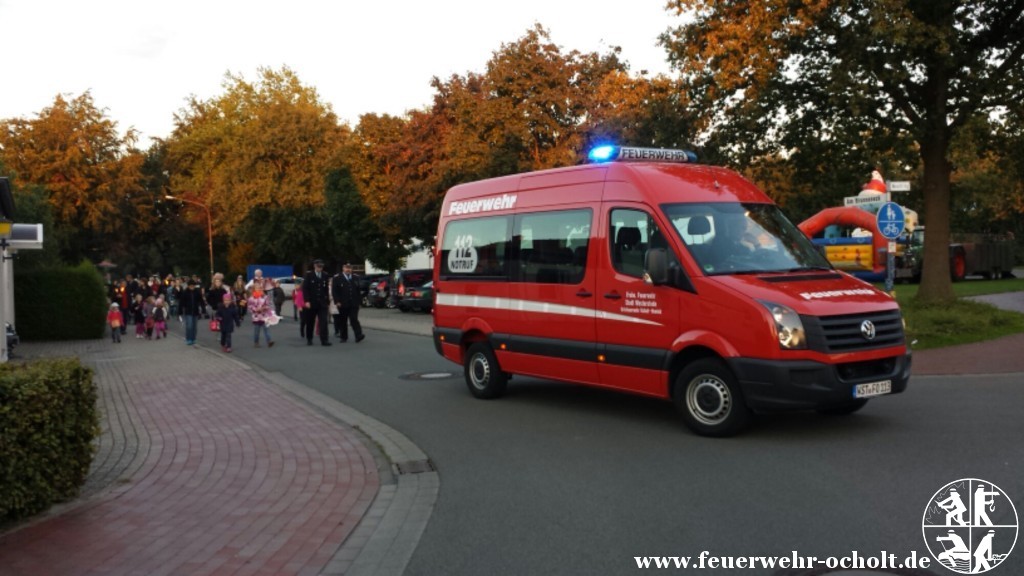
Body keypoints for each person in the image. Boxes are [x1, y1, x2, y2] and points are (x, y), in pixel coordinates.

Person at [332, 263, 365, 343]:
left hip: (354, 303)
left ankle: (358, 335)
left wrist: (360, 302)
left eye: (349, 268)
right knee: (343, 320)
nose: (348, 269)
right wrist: (337, 301)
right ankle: (344, 337)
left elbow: (358, 291)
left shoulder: (355, 278)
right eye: (346, 268)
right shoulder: (337, 278)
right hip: (342, 303)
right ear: (343, 268)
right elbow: (334, 291)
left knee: (354, 319)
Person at [301, 259, 332, 346]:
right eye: (318, 266)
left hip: (322, 302)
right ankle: (309, 338)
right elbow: (305, 289)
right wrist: (306, 301)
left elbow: (326, 290)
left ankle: (324, 340)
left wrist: (328, 302)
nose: (320, 268)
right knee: (310, 321)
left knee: (324, 322)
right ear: (315, 266)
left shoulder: (325, 275)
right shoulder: (309, 275)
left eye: (321, 266)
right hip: (311, 302)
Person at [179, 278, 205, 345]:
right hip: (188, 311)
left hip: (195, 311)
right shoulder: (185, 292)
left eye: (193, 286)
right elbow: (181, 302)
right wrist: (180, 311)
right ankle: (189, 338)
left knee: (194, 326)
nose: (192, 287)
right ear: (188, 286)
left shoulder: (197, 292)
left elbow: (201, 301)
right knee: (189, 326)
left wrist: (203, 309)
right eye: (190, 286)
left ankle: (193, 338)